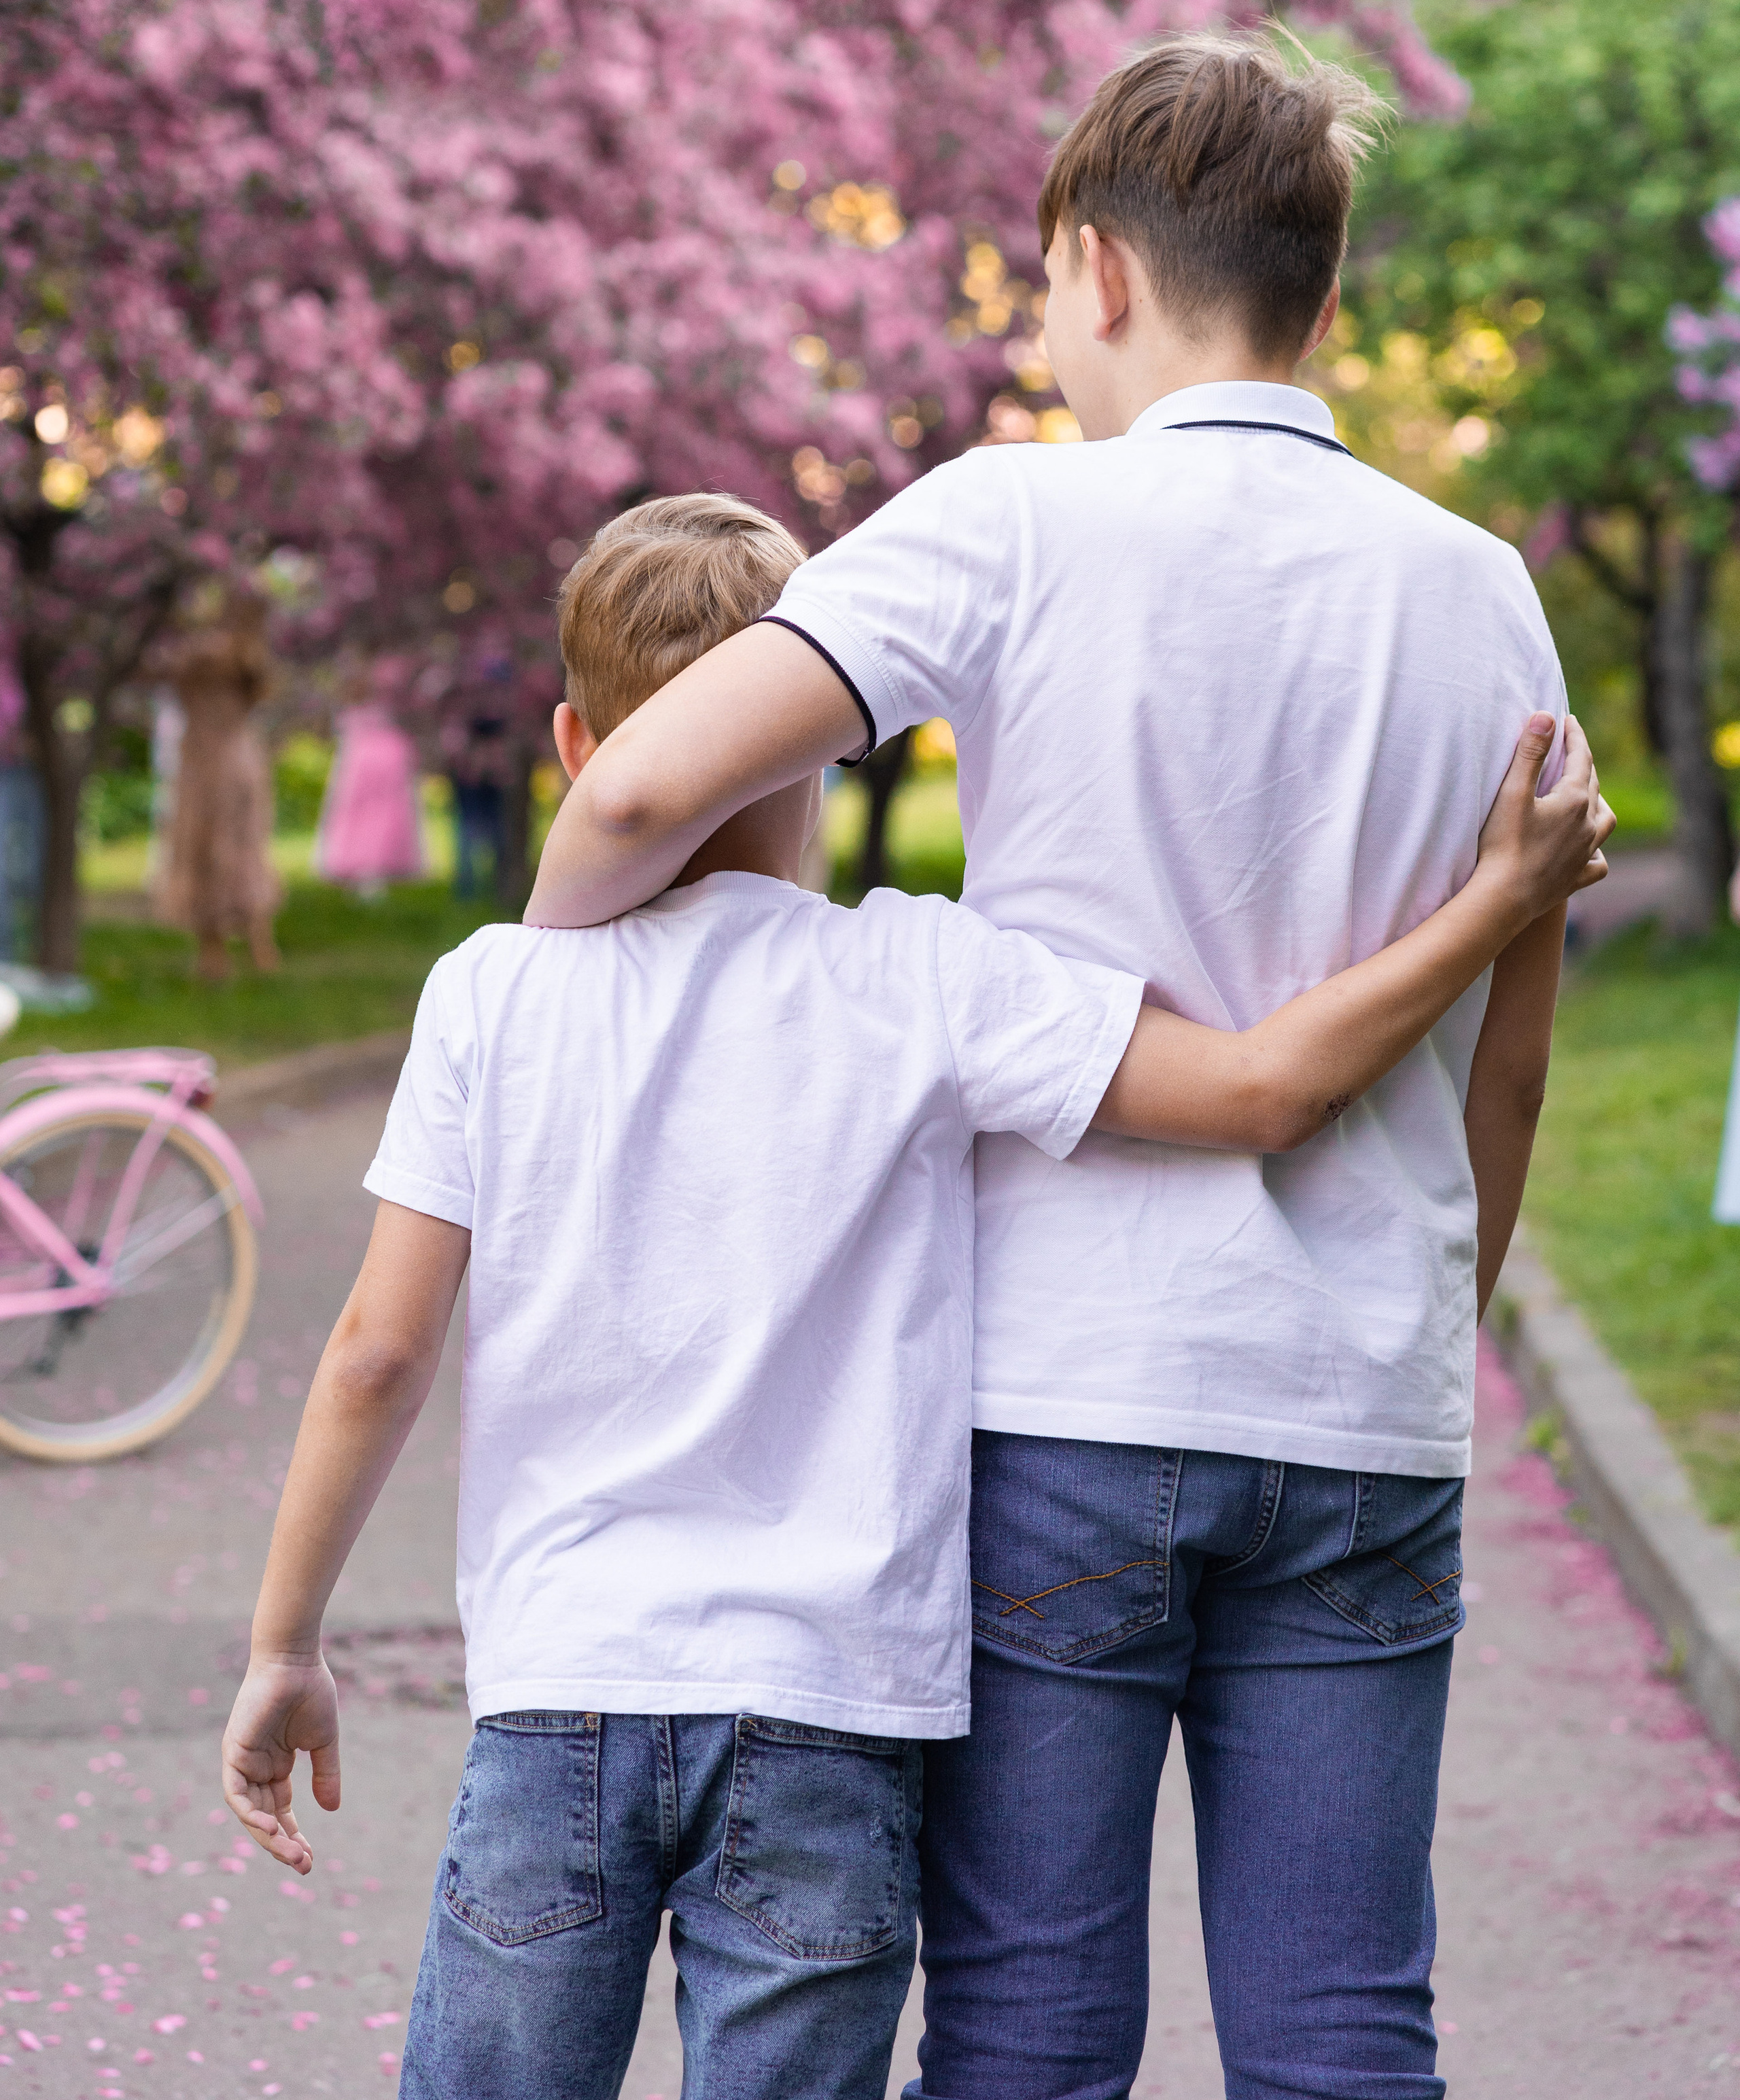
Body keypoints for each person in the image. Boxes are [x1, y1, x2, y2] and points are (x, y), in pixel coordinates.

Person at [220, 495, 1606, 2100]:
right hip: (830, 1712)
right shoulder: (923, 978)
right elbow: (1254, 1090)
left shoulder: (490, 991)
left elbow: (376, 1350)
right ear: (828, 741)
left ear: (569, 737)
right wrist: (1494, 906)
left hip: (560, 1699)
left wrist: (286, 1640)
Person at [521, 35, 1586, 2100]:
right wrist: (1405, 1339)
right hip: (1358, 1403)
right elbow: (1515, 1057)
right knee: (1347, 2026)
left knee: (1022, 2029)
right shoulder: (1484, 596)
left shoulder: (1007, 521)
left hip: (1059, 1403)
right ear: (1327, 300)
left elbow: (644, 779)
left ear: (1094, 269)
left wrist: (558, 1024)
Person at [153, 584, 281, 983]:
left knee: (234, 846)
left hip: (226, 762)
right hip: (202, 763)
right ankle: (220, 950)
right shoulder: (198, 652)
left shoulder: (231, 654)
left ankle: (254, 945)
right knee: (206, 848)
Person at [315, 666, 425, 896]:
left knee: (372, 815)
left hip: (367, 761)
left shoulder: (367, 698)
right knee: (373, 815)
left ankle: (369, 870)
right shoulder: (380, 698)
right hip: (378, 759)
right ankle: (366, 870)